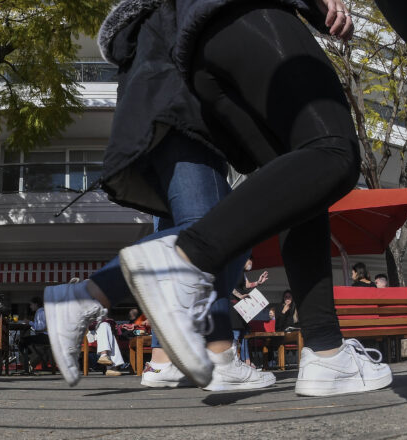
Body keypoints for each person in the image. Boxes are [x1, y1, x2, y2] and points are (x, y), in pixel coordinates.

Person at [113, 0, 390, 396]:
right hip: (247, 15)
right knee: (335, 151)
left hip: (200, 55)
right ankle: (184, 258)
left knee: (300, 191)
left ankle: (328, 354)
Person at [44, 1, 273, 392]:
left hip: (158, 124)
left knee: (194, 234)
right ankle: (89, 295)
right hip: (188, 118)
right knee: (214, 235)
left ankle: (170, 359)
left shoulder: (144, 27)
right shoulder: (178, 12)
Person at [231, 257, 269, 365]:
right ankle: (234, 361)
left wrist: (258, 282)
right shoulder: (233, 270)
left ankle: (246, 361)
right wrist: (239, 295)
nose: (251, 264)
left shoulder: (242, 273)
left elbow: (247, 285)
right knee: (236, 333)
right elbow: (229, 285)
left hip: (242, 307)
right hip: (234, 304)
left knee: (245, 334)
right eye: (250, 260)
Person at [19, 296, 50, 372]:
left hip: (45, 336)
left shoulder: (40, 312)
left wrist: (29, 322)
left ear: (36, 304)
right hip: (46, 336)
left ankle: (29, 361)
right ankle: (30, 361)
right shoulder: (40, 312)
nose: (30, 307)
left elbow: (40, 327)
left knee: (22, 341)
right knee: (25, 341)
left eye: (31, 304)